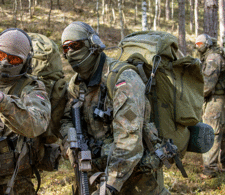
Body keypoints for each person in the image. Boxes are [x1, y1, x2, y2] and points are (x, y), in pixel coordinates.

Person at [60, 21, 170, 194]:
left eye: (76, 45)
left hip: (136, 178)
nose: (71, 52)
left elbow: (129, 141)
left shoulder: (123, 80)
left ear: (93, 45)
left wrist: (109, 186)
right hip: (94, 172)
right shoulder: (76, 83)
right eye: (66, 49)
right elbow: (66, 119)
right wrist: (71, 143)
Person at [0, 28, 51, 194]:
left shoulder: (32, 88)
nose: (5, 62)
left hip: (15, 184)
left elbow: (35, 125)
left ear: (25, 64)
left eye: (13, 59)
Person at [195, 34, 225, 178]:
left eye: (199, 43)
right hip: (219, 100)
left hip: (215, 100)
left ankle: (210, 170)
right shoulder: (213, 56)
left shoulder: (213, 58)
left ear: (206, 44)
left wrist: (195, 98)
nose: (197, 45)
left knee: (211, 132)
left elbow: (207, 85)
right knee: (221, 132)